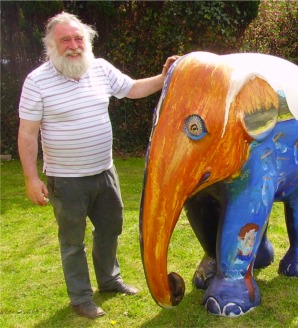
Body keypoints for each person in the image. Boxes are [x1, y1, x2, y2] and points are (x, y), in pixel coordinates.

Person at [17, 12, 179, 319]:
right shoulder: (36, 81)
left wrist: (164, 77)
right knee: (72, 241)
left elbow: (132, 89)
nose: (74, 46)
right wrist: (30, 178)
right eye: (65, 39)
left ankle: (109, 279)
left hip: (105, 171)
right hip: (66, 180)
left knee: (110, 228)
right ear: (51, 45)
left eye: (79, 38)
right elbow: (27, 133)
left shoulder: (100, 69)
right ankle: (81, 297)